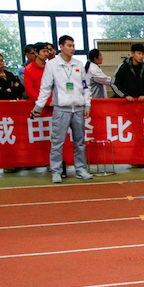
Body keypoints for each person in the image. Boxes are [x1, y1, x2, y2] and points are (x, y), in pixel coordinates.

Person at [30, 35, 92, 184]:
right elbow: (45, 88)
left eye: (73, 45)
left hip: (77, 108)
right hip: (61, 109)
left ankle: (81, 169)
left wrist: (87, 105)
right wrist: (38, 107)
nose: (72, 48)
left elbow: (85, 87)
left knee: (80, 141)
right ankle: (56, 171)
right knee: (57, 142)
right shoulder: (52, 65)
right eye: (69, 45)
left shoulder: (78, 64)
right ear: (61, 46)